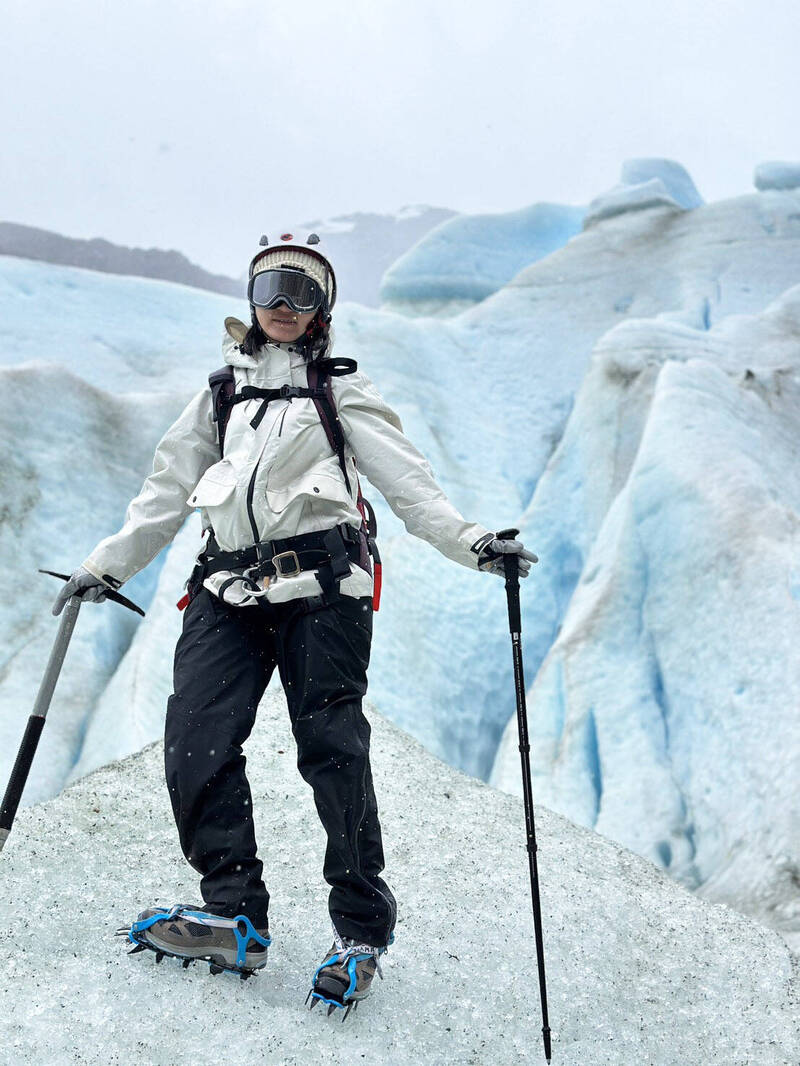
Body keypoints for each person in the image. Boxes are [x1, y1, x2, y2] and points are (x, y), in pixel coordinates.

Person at [53, 232, 538, 1013]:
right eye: (273, 288)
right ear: (250, 299)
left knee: (332, 749)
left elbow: (410, 487)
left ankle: (360, 931)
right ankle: (234, 912)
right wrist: (105, 565)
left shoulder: (339, 390)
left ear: (323, 312)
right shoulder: (220, 395)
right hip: (227, 589)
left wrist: (476, 546)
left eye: (303, 293)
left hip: (326, 589)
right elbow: (164, 491)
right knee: (195, 739)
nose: (284, 306)